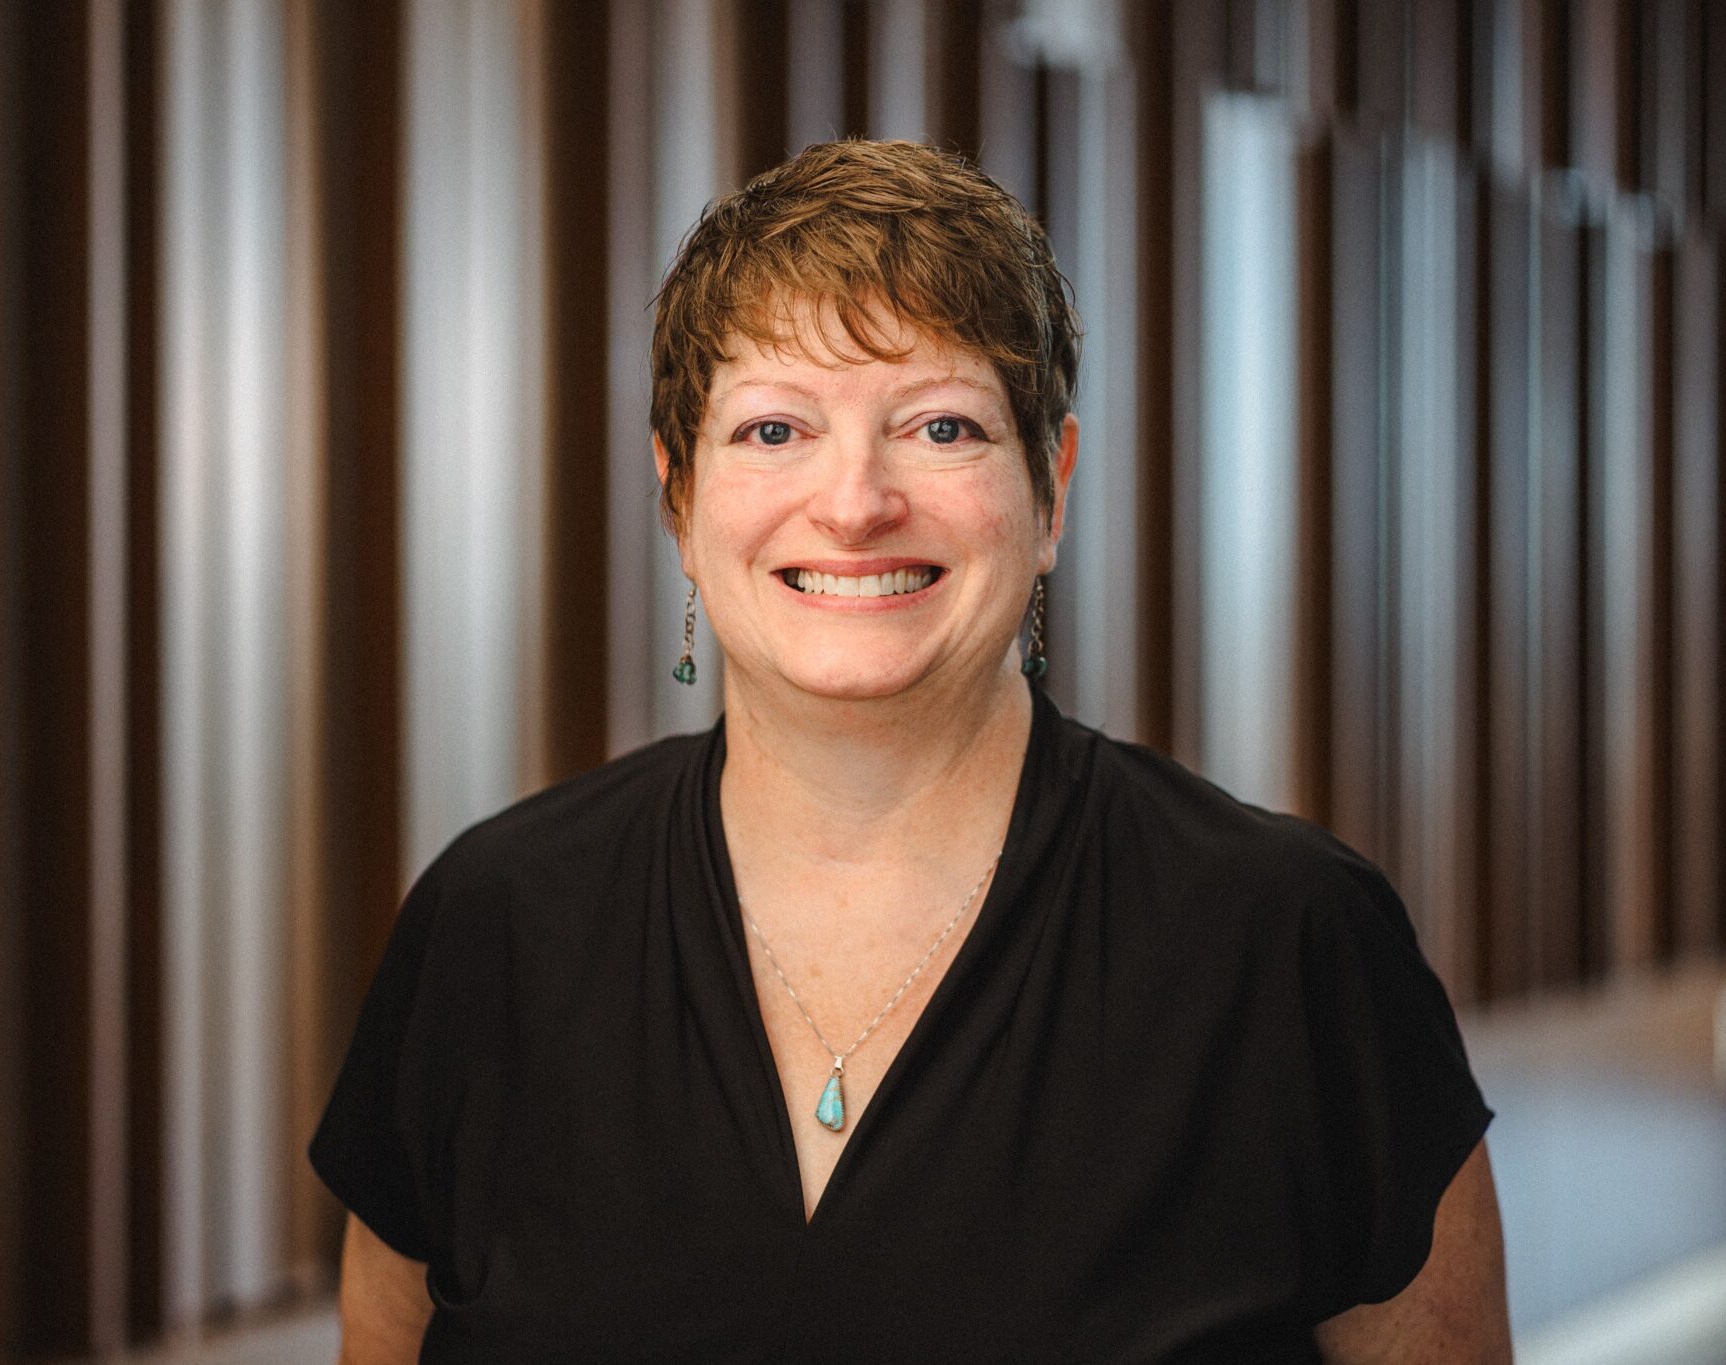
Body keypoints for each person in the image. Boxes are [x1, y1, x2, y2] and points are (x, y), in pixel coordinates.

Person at [311, 138, 1510, 1363]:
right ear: (678, 499)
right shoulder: (494, 925)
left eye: (939, 427)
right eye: (772, 431)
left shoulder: (1289, 941)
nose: (853, 502)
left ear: (1051, 485)